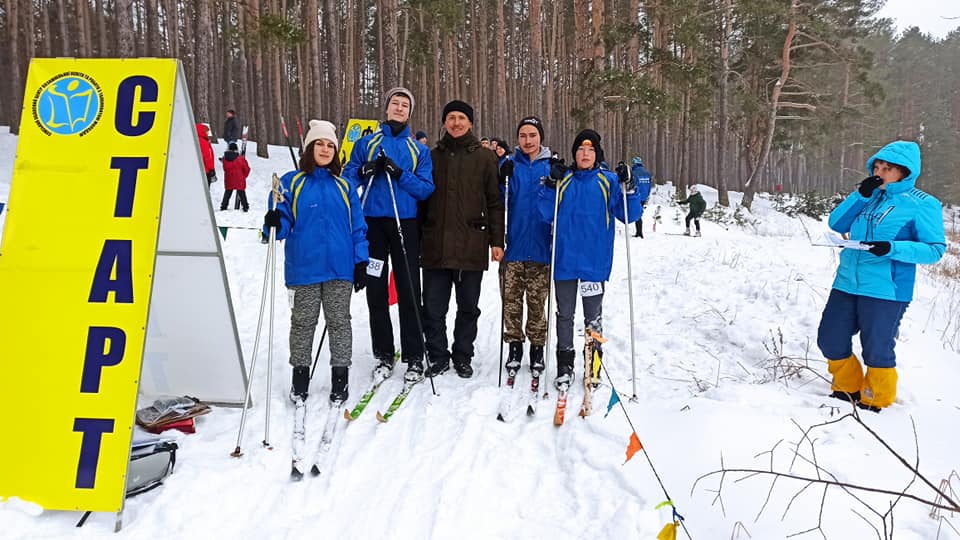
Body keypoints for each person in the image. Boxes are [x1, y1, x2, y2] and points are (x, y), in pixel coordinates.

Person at [817, 140, 945, 412]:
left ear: (905, 172)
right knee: (830, 338)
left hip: (887, 288)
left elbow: (934, 250)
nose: (880, 172)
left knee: (877, 348)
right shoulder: (869, 195)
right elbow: (837, 223)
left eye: (888, 168)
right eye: (877, 166)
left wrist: (892, 248)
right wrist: (860, 196)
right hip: (847, 282)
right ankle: (847, 386)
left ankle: (876, 398)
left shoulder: (923, 204)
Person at [262, 120, 369, 404]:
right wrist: (273, 223)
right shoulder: (291, 182)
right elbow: (281, 220)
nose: (325, 149)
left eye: (330, 145)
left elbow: (358, 228)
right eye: (319, 144)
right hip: (303, 268)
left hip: (340, 268)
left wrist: (360, 262)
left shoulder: (344, 185)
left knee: (339, 323)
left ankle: (340, 377)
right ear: (309, 147)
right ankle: (300, 377)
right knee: (302, 323)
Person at [342, 87, 435, 384]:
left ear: (410, 112)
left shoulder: (417, 150)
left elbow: (425, 188)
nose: (398, 108)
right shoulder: (367, 143)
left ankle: (414, 355)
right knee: (376, 289)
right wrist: (368, 169)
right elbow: (347, 178)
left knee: (408, 289)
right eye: (394, 103)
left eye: (404, 104)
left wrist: (399, 173)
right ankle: (383, 353)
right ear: (386, 109)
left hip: (404, 223)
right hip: (372, 223)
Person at [539, 129, 643, 389]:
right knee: (564, 315)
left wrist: (628, 187)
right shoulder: (564, 180)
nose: (585, 154)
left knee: (592, 317)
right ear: (574, 153)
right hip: (564, 261)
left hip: (594, 263)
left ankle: (593, 365)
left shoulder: (607, 181)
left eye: (590, 150)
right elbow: (544, 213)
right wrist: (551, 184)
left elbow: (629, 215)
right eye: (580, 149)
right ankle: (564, 365)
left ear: (597, 154)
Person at [420, 100, 505, 378]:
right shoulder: (431, 156)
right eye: (451, 117)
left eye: (461, 118)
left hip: (471, 243)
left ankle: (462, 355)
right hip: (436, 244)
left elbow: (494, 202)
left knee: (468, 306)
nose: (456, 122)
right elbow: (420, 201)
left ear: (470, 123)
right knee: (433, 306)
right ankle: (437, 355)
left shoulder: (485, 158)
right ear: (444, 122)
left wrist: (496, 240)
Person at [500, 116, 552, 377]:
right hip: (515, 247)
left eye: (532, 135)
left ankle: (537, 348)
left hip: (541, 249)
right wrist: (501, 179)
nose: (528, 140)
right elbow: (498, 203)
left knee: (536, 303)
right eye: (523, 135)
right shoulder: (509, 165)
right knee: (511, 302)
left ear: (540, 137)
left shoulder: (551, 166)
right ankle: (514, 346)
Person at [220, 142, 251, 212]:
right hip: (239, 178)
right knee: (241, 193)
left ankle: (223, 206)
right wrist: (244, 176)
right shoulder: (240, 158)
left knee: (228, 192)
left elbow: (225, 169)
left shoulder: (225, 159)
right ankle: (245, 206)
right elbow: (247, 169)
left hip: (229, 178)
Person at [630, 157, 653, 238]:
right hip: (644, 197)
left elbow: (633, 185)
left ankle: (639, 233)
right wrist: (647, 196)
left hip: (637, 196)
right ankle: (639, 232)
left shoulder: (634, 173)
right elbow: (650, 186)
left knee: (638, 215)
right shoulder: (647, 173)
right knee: (639, 214)